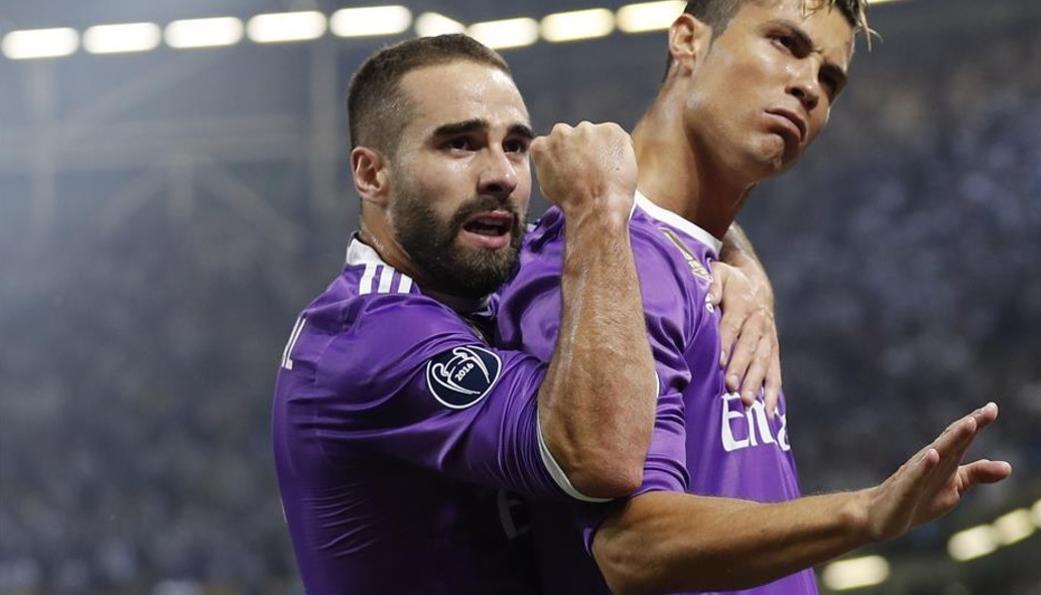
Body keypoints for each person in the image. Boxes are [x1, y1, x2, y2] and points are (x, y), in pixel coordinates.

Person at [494, 0, 1013, 594]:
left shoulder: (710, 267)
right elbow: (629, 545)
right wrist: (863, 511)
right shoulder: (598, 261)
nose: (808, 87)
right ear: (687, 40)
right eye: (786, 44)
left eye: (830, 79)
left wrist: (736, 254)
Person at [271, 34, 777, 594]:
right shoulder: (365, 340)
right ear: (372, 175)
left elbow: (673, 207)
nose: (502, 176)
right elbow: (601, 458)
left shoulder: (498, 267)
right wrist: (595, 208)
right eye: (460, 144)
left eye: (514, 145)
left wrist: (742, 266)